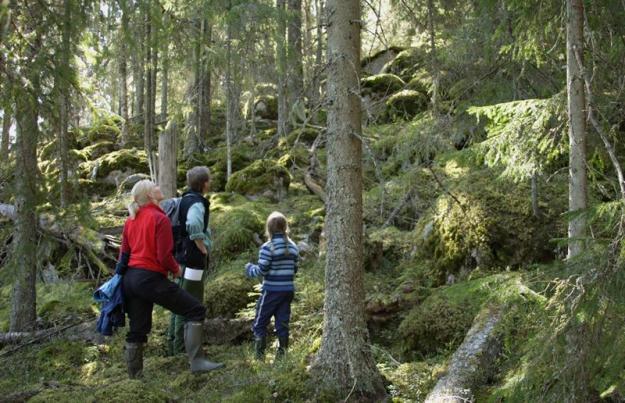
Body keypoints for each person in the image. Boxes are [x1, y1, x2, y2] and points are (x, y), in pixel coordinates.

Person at [118, 179, 223, 378]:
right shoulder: (160, 219)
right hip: (150, 278)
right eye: (155, 186)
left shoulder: (131, 219)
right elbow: (164, 256)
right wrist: (177, 271)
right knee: (195, 309)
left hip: (130, 279)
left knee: (137, 329)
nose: (160, 187)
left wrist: (118, 278)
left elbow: (124, 253)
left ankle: (134, 377)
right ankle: (197, 362)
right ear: (150, 195)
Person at [167, 166, 213, 355]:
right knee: (191, 302)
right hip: (193, 261)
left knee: (179, 300)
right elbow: (193, 224)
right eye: (209, 180)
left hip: (181, 257)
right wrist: (202, 247)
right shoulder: (197, 203)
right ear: (204, 183)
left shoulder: (183, 199)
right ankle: (184, 349)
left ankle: (174, 345)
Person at [245, 211, 299, 360]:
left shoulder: (268, 247)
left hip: (271, 291)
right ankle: (282, 355)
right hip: (288, 290)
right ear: (285, 228)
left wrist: (249, 268)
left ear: (269, 229)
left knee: (260, 322)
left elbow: (262, 270)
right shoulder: (293, 247)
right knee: (283, 322)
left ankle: (259, 356)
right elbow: (295, 269)